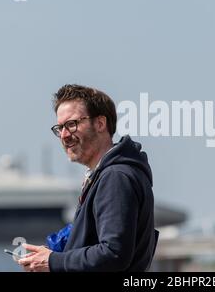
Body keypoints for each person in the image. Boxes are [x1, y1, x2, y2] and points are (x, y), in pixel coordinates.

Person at [18, 84, 158, 272]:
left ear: (100, 123)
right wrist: (55, 254)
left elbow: (113, 254)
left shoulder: (115, 178)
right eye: (60, 128)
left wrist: (53, 262)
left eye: (72, 124)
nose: (65, 135)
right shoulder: (108, 176)